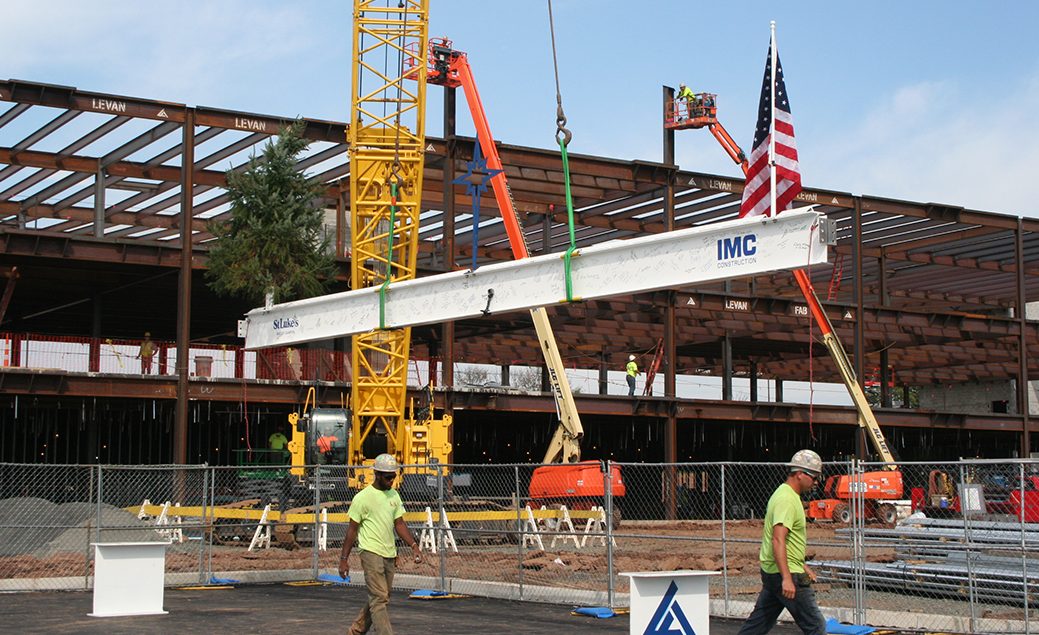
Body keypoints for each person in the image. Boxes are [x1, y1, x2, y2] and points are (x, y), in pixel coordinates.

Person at [738, 449, 827, 635]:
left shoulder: (786, 495)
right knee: (816, 626)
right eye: (814, 477)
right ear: (800, 474)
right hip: (785, 574)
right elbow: (778, 539)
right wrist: (787, 578)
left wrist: (802, 565)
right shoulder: (786, 499)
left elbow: (787, 542)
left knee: (758, 624)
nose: (816, 482)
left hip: (776, 572)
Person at [339, 453, 423, 635]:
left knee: (382, 597)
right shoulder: (362, 498)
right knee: (379, 597)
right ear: (376, 474)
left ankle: (356, 631)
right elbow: (352, 530)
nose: (392, 480)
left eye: (394, 476)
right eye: (388, 477)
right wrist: (343, 559)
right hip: (370, 551)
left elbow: (399, 523)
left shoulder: (394, 495)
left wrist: (413, 545)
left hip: (389, 553)